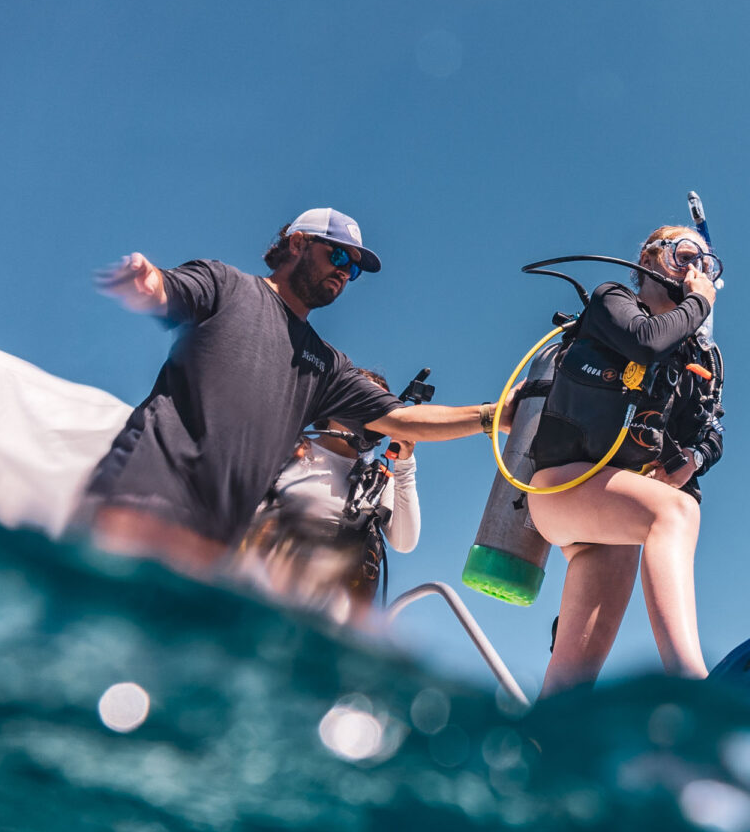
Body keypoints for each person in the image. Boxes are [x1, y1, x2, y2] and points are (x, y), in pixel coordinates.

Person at [82, 207, 503, 577]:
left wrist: (496, 415)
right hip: (139, 504)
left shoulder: (326, 365)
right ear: (297, 243)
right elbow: (166, 286)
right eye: (338, 255)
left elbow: (403, 420)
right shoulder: (225, 285)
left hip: (211, 549)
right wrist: (148, 282)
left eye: (353, 269)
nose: (344, 271)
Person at [525, 225, 724, 697]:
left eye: (705, 264)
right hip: (559, 488)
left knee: (571, 682)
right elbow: (645, 342)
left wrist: (692, 458)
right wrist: (700, 303)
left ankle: (548, 741)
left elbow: (710, 429)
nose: (694, 269)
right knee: (676, 513)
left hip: (609, 515)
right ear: (650, 257)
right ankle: (692, 685)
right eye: (684, 254)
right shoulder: (611, 299)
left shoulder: (696, 357)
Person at [233, 368, 420, 626]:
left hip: (329, 627)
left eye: (379, 409)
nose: (368, 414)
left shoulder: (377, 479)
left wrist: (405, 464)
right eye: (361, 400)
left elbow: (405, 541)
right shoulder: (287, 449)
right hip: (255, 602)